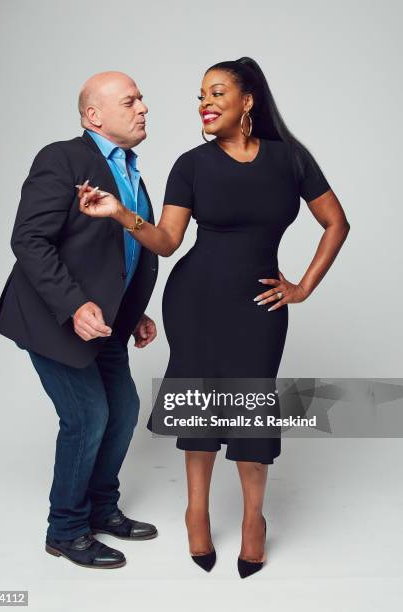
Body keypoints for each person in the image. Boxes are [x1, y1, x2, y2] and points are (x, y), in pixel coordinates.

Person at [76, 57, 350, 577]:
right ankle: (195, 511)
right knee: (201, 406)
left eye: (217, 92)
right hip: (195, 300)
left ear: (248, 101)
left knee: (251, 407)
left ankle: (253, 520)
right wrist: (122, 214)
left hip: (258, 306)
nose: (205, 102)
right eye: (201, 94)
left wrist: (304, 286)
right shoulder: (191, 164)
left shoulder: (290, 159)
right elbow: (168, 241)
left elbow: (335, 222)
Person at [0, 71, 160, 569]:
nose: (144, 107)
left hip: (105, 322)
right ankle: (65, 529)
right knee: (87, 417)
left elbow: (116, 251)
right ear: (94, 116)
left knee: (123, 410)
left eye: (142, 99)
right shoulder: (61, 158)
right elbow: (30, 240)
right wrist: (74, 305)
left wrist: (134, 312)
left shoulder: (131, 170)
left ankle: (102, 511)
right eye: (130, 101)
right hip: (51, 317)